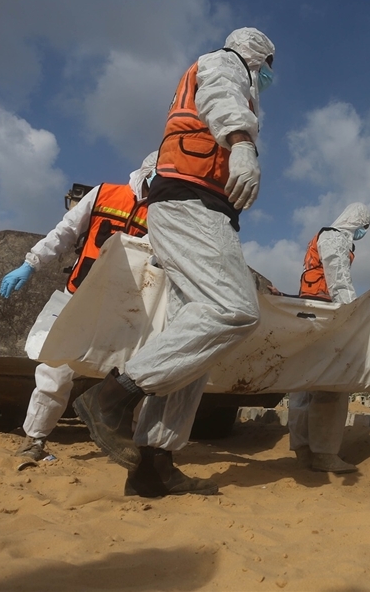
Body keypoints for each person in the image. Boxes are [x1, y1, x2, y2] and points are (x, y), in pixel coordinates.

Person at [71, 28, 274, 498]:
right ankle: (112, 396)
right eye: (268, 66)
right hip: (192, 204)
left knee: (191, 350)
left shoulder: (215, 75)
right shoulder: (226, 63)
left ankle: (154, 466)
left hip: (186, 206)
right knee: (234, 309)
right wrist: (243, 144)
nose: (267, 76)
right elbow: (223, 96)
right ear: (258, 56)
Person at [2, 153, 156, 462]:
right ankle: (34, 439)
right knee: (56, 367)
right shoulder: (103, 194)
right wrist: (31, 263)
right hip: (80, 296)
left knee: (138, 374)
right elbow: (65, 232)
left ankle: (136, 444)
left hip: (127, 307)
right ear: (148, 172)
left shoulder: (166, 213)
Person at [290, 202, 370, 473]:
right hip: (326, 313)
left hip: (307, 311)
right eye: (364, 226)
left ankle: (303, 450)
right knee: (332, 384)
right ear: (357, 221)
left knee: (304, 385)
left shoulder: (320, 236)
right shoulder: (337, 238)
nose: (363, 232)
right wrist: (351, 313)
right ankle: (324, 453)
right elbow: (339, 278)